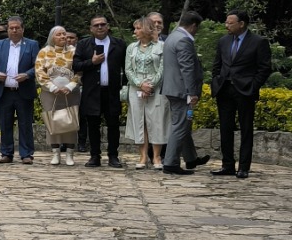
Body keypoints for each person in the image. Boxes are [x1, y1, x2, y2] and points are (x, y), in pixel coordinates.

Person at [212, 10, 273, 179]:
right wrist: (216, 80)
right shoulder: (224, 41)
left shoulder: (258, 42)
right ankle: (227, 165)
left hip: (245, 90)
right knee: (225, 128)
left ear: (242, 24)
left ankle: (244, 167)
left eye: (230, 23)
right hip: (224, 89)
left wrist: (253, 86)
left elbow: (264, 68)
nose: (226, 26)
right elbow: (217, 64)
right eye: (226, 22)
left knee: (246, 129)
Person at [161, 11, 210, 176]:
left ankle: (190, 158)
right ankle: (170, 163)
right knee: (180, 125)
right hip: (181, 90)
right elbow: (187, 68)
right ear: (194, 25)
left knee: (184, 124)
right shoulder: (184, 40)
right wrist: (192, 92)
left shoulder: (171, 37)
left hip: (172, 88)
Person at [73, 16, 126, 167]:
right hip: (92, 91)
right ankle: (95, 155)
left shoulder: (119, 44)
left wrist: (124, 85)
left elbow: (126, 67)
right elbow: (75, 65)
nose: (100, 27)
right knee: (93, 125)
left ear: (108, 26)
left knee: (113, 124)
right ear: (91, 29)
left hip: (111, 91)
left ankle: (113, 156)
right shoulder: (84, 44)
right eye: (96, 25)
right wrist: (92, 62)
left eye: (103, 24)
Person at [0, 16, 40, 164]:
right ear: (7, 30)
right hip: (5, 91)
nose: (14, 30)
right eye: (11, 28)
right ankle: (6, 153)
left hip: (23, 90)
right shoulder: (0, 45)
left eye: (17, 28)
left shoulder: (31, 45)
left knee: (25, 123)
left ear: (22, 29)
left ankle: (26, 154)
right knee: (5, 123)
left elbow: (38, 66)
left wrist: (27, 75)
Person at [123, 16, 166, 168]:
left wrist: (151, 85)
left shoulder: (161, 46)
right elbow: (128, 69)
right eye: (135, 28)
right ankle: (142, 157)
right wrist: (140, 84)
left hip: (156, 88)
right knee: (138, 121)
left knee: (156, 121)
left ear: (147, 29)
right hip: (137, 88)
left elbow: (162, 68)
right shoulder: (131, 48)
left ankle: (156, 157)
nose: (135, 31)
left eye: (138, 28)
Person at [35, 26, 79, 165]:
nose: (62, 37)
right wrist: (52, 87)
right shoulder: (44, 52)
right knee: (52, 121)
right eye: (58, 34)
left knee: (70, 121)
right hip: (50, 93)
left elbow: (80, 70)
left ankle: (70, 154)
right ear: (52, 37)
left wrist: (71, 85)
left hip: (70, 92)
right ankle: (55, 153)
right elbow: (39, 71)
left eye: (64, 34)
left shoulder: (74, 51)